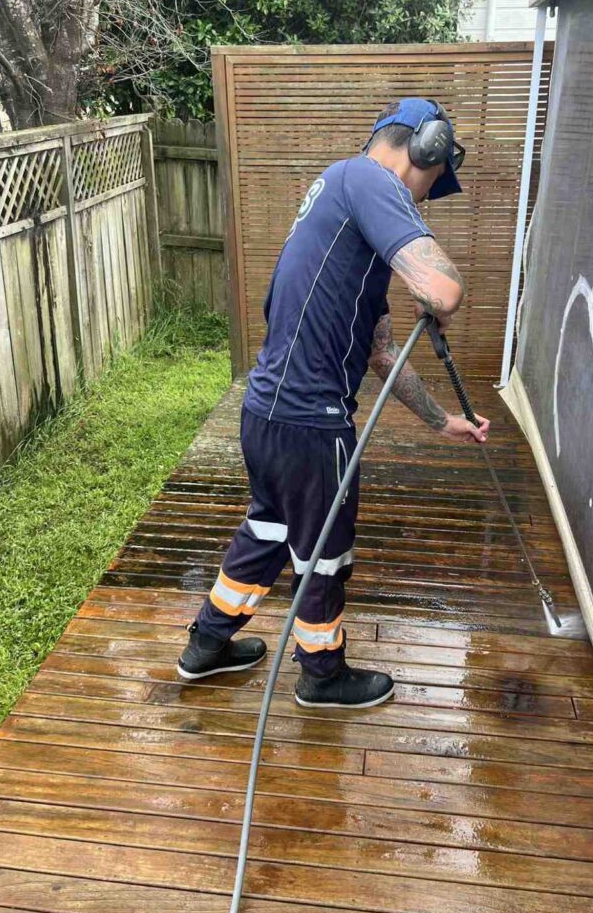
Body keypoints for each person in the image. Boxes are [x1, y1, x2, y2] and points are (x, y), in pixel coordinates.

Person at [177, 97, 490, 708]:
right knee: (324, 557)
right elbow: (444, 290)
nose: (426, 198)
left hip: (267, 414)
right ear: (425, 148)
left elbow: (381, 353)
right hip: (312, 426)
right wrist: (433, 292)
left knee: (267, 532)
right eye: (434, 181)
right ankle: (322, 675)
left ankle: (206, 646)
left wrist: (442, 421)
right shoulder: (370, 181)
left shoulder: (341, 212)